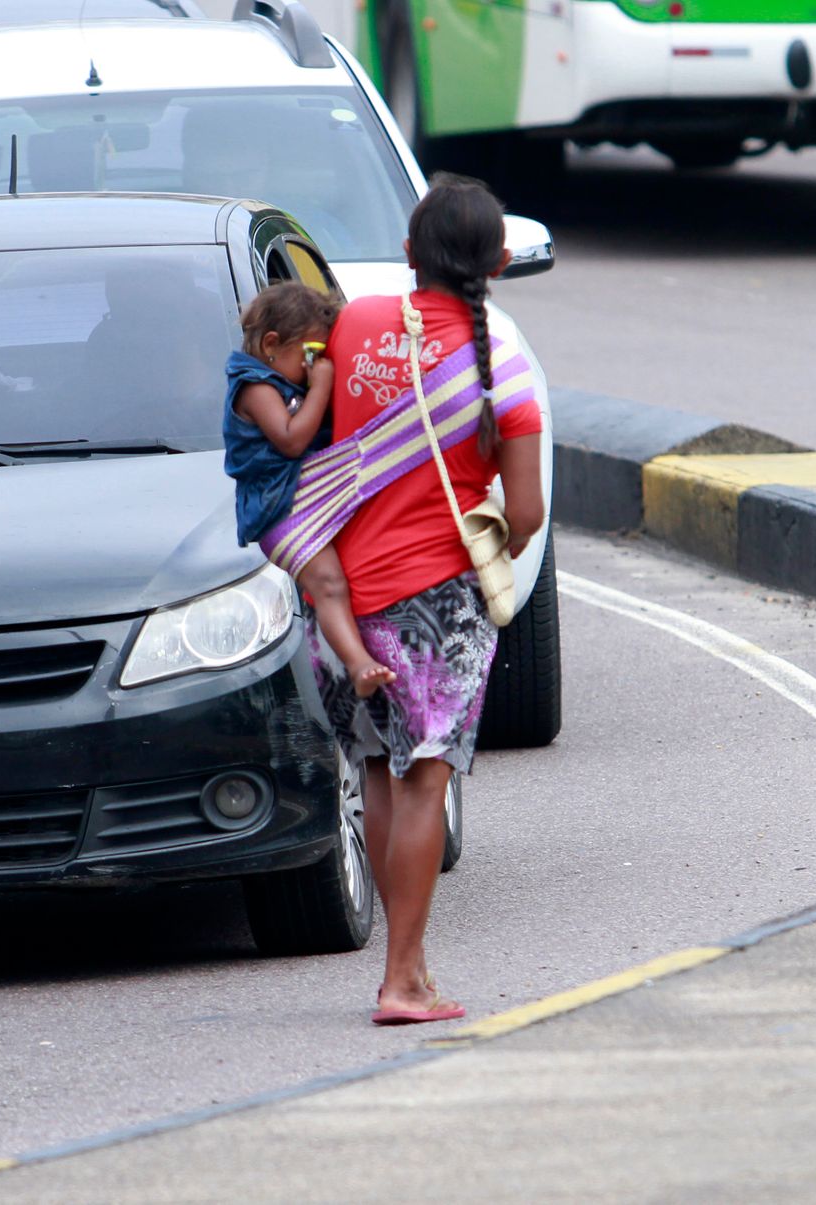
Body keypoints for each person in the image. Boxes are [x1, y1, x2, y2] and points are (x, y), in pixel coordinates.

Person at [319, 176, 545, 1024]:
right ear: (498, 260)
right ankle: (402, 977)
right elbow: (523, 515)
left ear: (410, 255)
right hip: (436, 608)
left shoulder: (353, 324)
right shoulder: (505, 367)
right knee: (425, 784)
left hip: (340, 606)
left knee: (380, 771)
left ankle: (402, 967)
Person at [223, 282, 397, 698]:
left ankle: (360, 656)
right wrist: (321, 386)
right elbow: (291, 440)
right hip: (276, 510)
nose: (318, 366)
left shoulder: (284, 380)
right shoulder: (256, 386)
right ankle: (359, 665)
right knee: (329, 584)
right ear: (271, 344)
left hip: (301, 500)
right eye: (311, 355)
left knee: (341, 582)